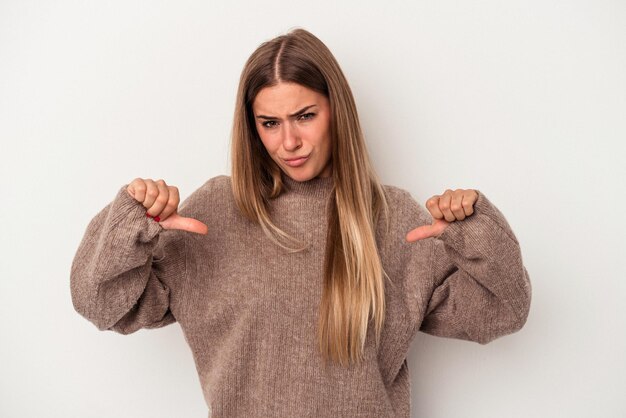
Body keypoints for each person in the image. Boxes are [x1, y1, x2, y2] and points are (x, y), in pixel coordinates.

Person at [70, 28, 531, 418]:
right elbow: (100, 304)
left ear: (337, 112)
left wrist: (476, 229)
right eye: (269, 123)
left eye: (305, 116)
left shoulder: (392, 219)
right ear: (252, 127)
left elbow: (504, 313)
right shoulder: (214, 212)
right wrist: (130, 223)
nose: (288, 141)